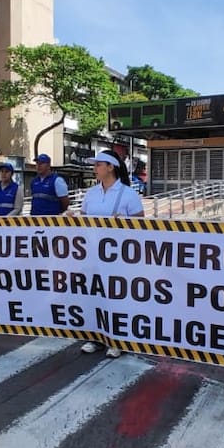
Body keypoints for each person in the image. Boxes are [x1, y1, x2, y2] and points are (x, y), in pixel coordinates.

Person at [76, 150, 144, 359]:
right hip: (92, 255)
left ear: (110, 167)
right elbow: (83, 219)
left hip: (118, 257)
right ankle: (96, 337)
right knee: (94, 296)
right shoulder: (91, 193)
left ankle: (118, 339)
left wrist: (124, 223)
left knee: (116, 298)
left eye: (98, 165)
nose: (94, 168)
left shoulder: (128, 194)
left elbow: (141, 226)